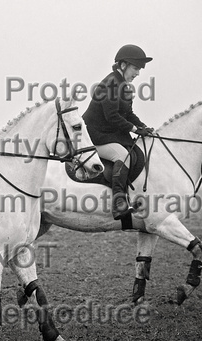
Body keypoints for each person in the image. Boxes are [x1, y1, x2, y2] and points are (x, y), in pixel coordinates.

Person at [82, 44, 154, 220]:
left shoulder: (123, 85)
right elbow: (113, 116)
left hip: (110, 134)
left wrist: (143, 127)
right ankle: (119, 203)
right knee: (123, 155)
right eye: (135, 68)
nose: (137, 73)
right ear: (123, 65)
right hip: (95, 137)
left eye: (139, 69)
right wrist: (134, 129)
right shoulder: (111, 85)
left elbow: (128, 114)